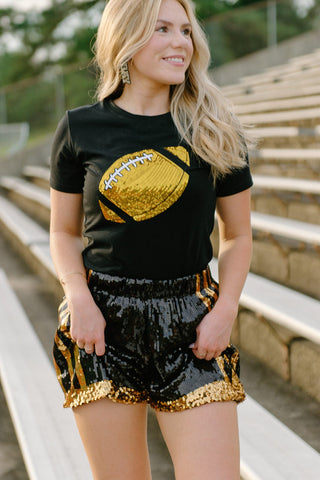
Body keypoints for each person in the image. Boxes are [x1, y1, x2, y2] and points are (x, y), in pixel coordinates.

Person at [50, 0, 253, 478]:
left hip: (193, 321)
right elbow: (62, 230)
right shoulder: (81, 127)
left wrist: (225, 311)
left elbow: (239, 235)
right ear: (127, 39)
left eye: (185, 31)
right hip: (101, 321)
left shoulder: (214, 128)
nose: (180, 42)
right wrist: (77, 297)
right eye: (162, 29)